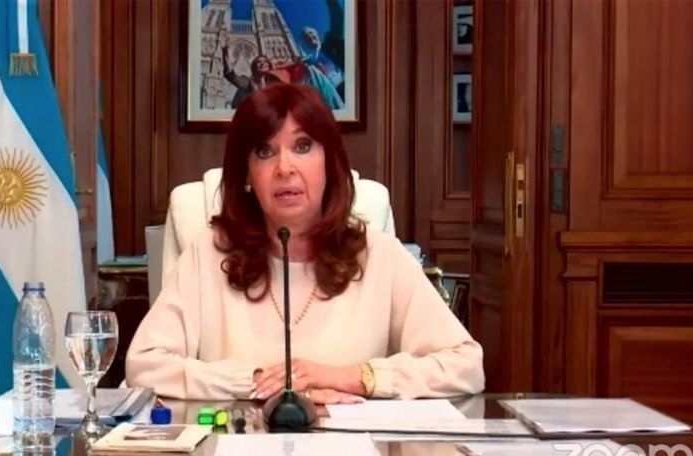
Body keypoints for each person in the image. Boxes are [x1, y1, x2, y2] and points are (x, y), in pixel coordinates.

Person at [125, 84, 484, 404]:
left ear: (329, 162)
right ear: (247, 174)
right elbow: (144, 365)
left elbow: (466, 366)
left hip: (351, 455)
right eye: (265, 151)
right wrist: (254, 383)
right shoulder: (208, 255)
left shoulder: (379, 256)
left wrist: (351, 378)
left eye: (302, 146)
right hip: (240, 453)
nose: (285, 168)